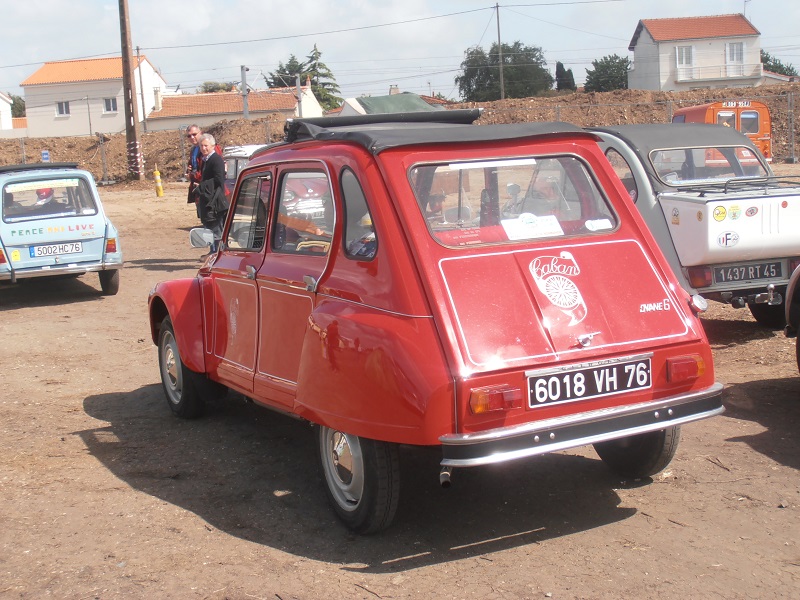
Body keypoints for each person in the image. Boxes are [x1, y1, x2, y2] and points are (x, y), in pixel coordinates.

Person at [197, 133, 228, 253]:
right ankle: (212, 252)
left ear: (213, 146)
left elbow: (219, 180)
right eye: (201, 146)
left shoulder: (216, 159)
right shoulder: (205, 160)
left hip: (215, 201)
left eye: (206, 145)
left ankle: (216, 254)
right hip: (208, 199)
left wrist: (203, 186)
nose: (203, 148)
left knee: (216, 229)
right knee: (209, 227)